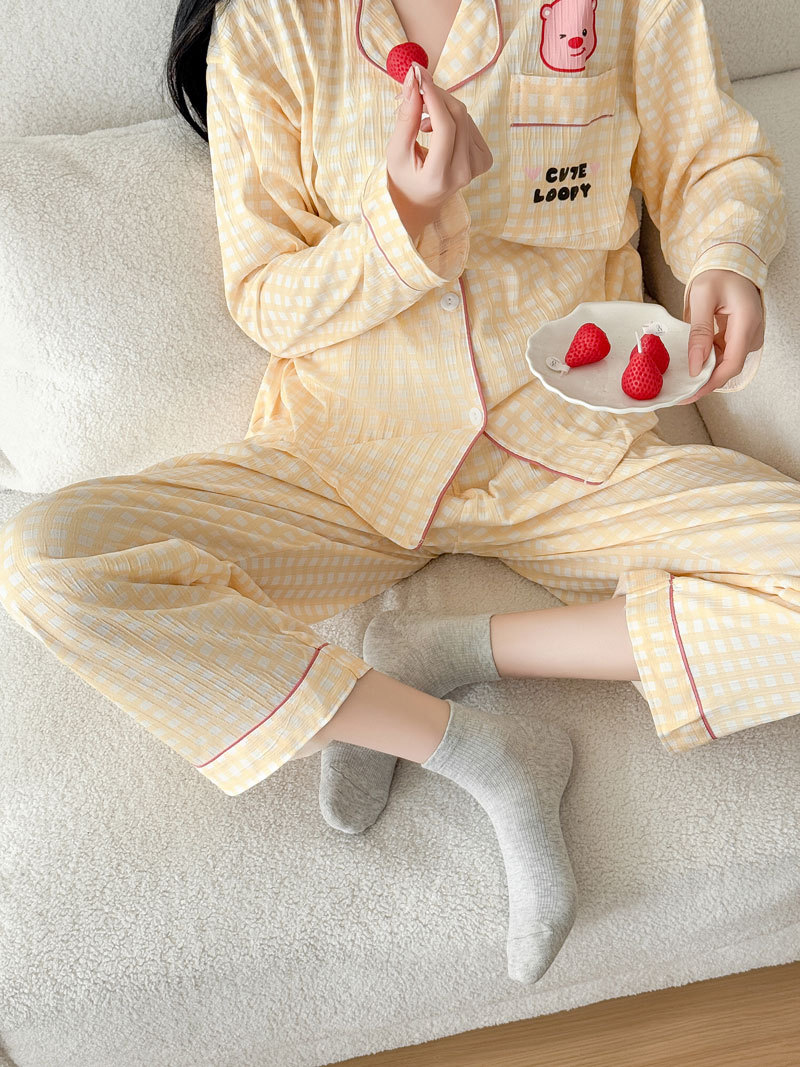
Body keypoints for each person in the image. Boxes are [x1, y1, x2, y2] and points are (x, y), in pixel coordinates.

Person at [0, 0, 795, 986]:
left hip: (571, 448)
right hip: (347, 459)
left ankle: (451, 649)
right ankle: (480, 750)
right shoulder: (270, 30)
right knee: (49, 560)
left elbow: (712, 157)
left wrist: (725, 258)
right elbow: (265, 297)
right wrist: (399, 224)